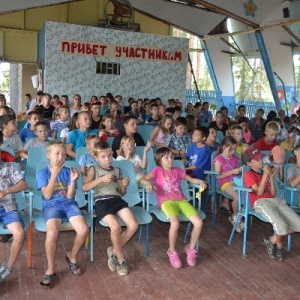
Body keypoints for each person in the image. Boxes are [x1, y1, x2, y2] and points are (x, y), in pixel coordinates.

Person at [140, 147, 206, 268]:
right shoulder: (156, 171)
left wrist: (200, 181)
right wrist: (148, 183)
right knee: (175, 224)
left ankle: (190, 249)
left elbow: (191, 179)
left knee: (199, 222)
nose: (170, 159)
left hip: (182, 201)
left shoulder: (178, 170)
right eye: (166, 158)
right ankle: (172, 251)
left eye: (171, 157)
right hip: (167, 202)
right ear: (159, 160)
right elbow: (142, 180)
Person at [82, 141, 138, 276]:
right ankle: (120, 258)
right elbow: (85, 187)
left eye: (109, 155)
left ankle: (112, 250)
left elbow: (121, 192)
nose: (107, 159)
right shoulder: (93, 170)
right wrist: (100, 180)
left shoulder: (117, 170)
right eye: (103, 157)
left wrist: (124, 185)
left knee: (133, 225)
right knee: (116, 227)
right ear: (96, 158)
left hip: (117, 200)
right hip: (102, 202)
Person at [37, 141, 89, 287]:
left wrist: (72, 182)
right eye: (57, 154)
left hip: (68, 204)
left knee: (83, 229)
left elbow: (70, 197)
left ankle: (71, 256)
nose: (61, 157)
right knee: (52, 233)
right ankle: (51, 268)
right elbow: (47, 196)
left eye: (64, 154)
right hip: (51, 205)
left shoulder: (67, 172)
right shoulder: (43, 173)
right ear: (48, 155)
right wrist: (54, 174)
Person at [243, 147, 300, 261]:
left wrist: (271, 177)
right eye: (257, 159)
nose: (261, 161)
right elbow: (259, 192)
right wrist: (265, 176)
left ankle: (272, 239)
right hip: (261, 202)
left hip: (275, 200)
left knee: (298, 224)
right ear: (249, 163)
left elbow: (273, 193)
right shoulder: (249, 175)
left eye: (260, 158)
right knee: (282, 226)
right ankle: (279, 245)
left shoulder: (266, 172)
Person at [0, 138, 27, 283]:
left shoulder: (9, 167)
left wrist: (6, 191)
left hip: (7, 207)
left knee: (19, 233)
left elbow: (23, 184)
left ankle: (7, 268)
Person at [214, 136, 243, 232]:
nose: (233, 152)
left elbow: (238, 172)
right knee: (238, 197)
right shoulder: (219, 159)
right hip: (225, 183)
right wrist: (233, 172)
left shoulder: (235, 157)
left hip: (236, 181)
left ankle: (238, 216)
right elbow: (218, 176)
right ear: (224, 147)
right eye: (230, 150)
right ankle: (236, 217)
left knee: (245, 194)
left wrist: (239, 171)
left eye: (234, 150)